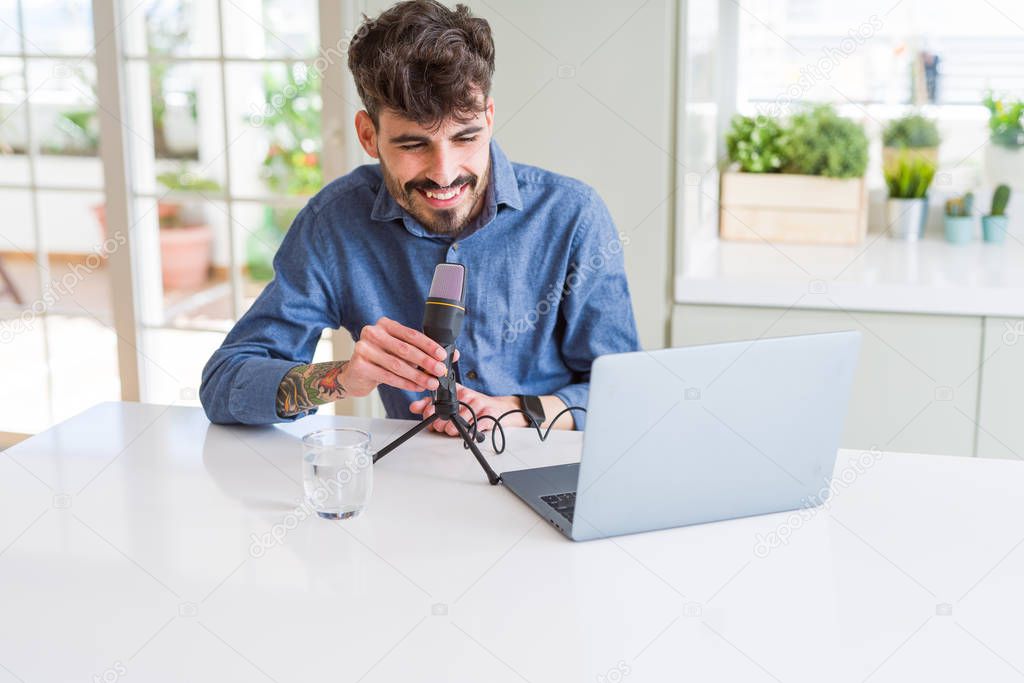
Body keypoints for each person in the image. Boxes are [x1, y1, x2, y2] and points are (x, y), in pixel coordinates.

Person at [199, 0, 639, 436]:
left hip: (549, 470)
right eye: (413, 145)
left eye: (466, 137)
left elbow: (625, 395)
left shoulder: (572, 215)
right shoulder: (334, 222)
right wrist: (341, 378)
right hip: (414, 482)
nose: (444, 173)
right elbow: (223, 384)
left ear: (489, 117)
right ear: (368, 136)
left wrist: (520, 412)